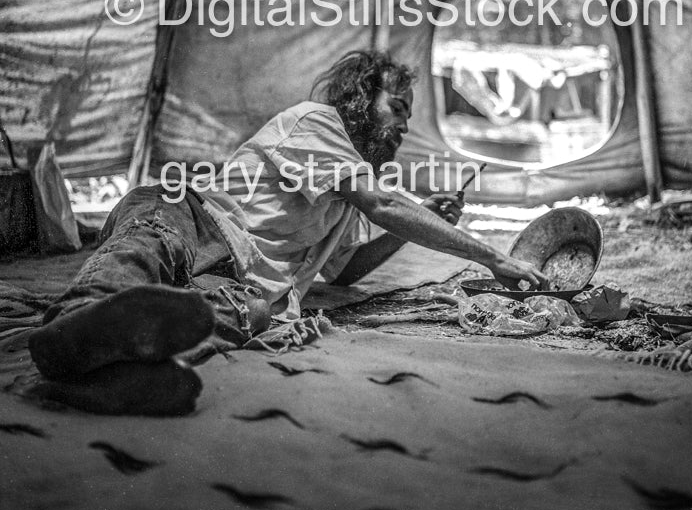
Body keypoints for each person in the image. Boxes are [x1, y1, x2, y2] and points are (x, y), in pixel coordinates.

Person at [28, 50, 547, 415]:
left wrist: (418, 227)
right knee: (150, 242)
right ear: (363, 98)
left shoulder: (346, 195)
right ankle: (77, 323)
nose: (405, 126)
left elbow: (348, 269)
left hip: (243, 283)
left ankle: (104, 376)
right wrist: (493, 258)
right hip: (198, 220)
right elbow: (383, 202)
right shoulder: (316, 123)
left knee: (246, 313)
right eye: (398, 108)